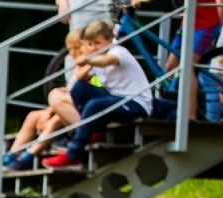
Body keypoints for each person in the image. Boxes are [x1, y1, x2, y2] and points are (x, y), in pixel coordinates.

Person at [44, 19, 152, 168]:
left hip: (135, 103)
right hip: (115, 99)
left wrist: (88, 59)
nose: (94, 47)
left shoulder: (118, 51)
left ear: (109, 40)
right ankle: (93, 131)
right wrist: (85, 59)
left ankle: (73, 154)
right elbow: (81, 78)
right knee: (79, 89)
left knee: (94, 105)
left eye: (97, 43)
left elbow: (108, 61)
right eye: (90, 44)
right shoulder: (96, 58)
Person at [6, 30, 85, 171]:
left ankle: (27, 157)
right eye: (70, 49)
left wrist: (51, 113)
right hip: (69, 107)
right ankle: (12, 155)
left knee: (55, 121)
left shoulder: (91, 67)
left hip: (80, 112)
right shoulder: (78, 68)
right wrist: (48, 112)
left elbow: (79, 95)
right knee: (33, 116)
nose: (72, 53)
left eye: (76, 48)